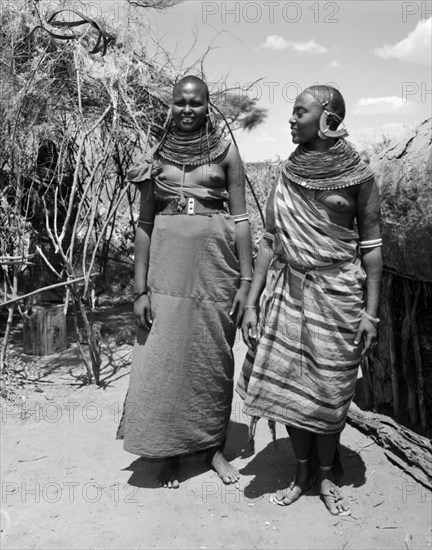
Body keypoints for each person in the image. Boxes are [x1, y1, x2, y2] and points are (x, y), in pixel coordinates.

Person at [237, 85, 382, 515]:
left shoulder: (360, 176)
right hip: (289, 292)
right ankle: (302, 471)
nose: (291, 119)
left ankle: (324, 472)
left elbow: (372, 247)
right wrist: (251, 301)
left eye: (300, 112)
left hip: (339, 297)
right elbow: (269, 239)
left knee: (332, 388)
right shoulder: (287, 174)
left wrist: (371, 314)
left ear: (328, 119)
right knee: (291, 385)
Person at [117, 75, 253, 488]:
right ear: (171, 106)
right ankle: (170, 450)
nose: (187, 110)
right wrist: (139, 290)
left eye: (196, 103)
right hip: (166, 273)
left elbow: (242, 219)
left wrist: (247, 280)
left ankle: (211, 448)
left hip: (216, 271)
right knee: (166, 355)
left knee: (211, 358)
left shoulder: (226, 152)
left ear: (208, 106)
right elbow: (143, 223)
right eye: (180, 103)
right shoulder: (155, 156)